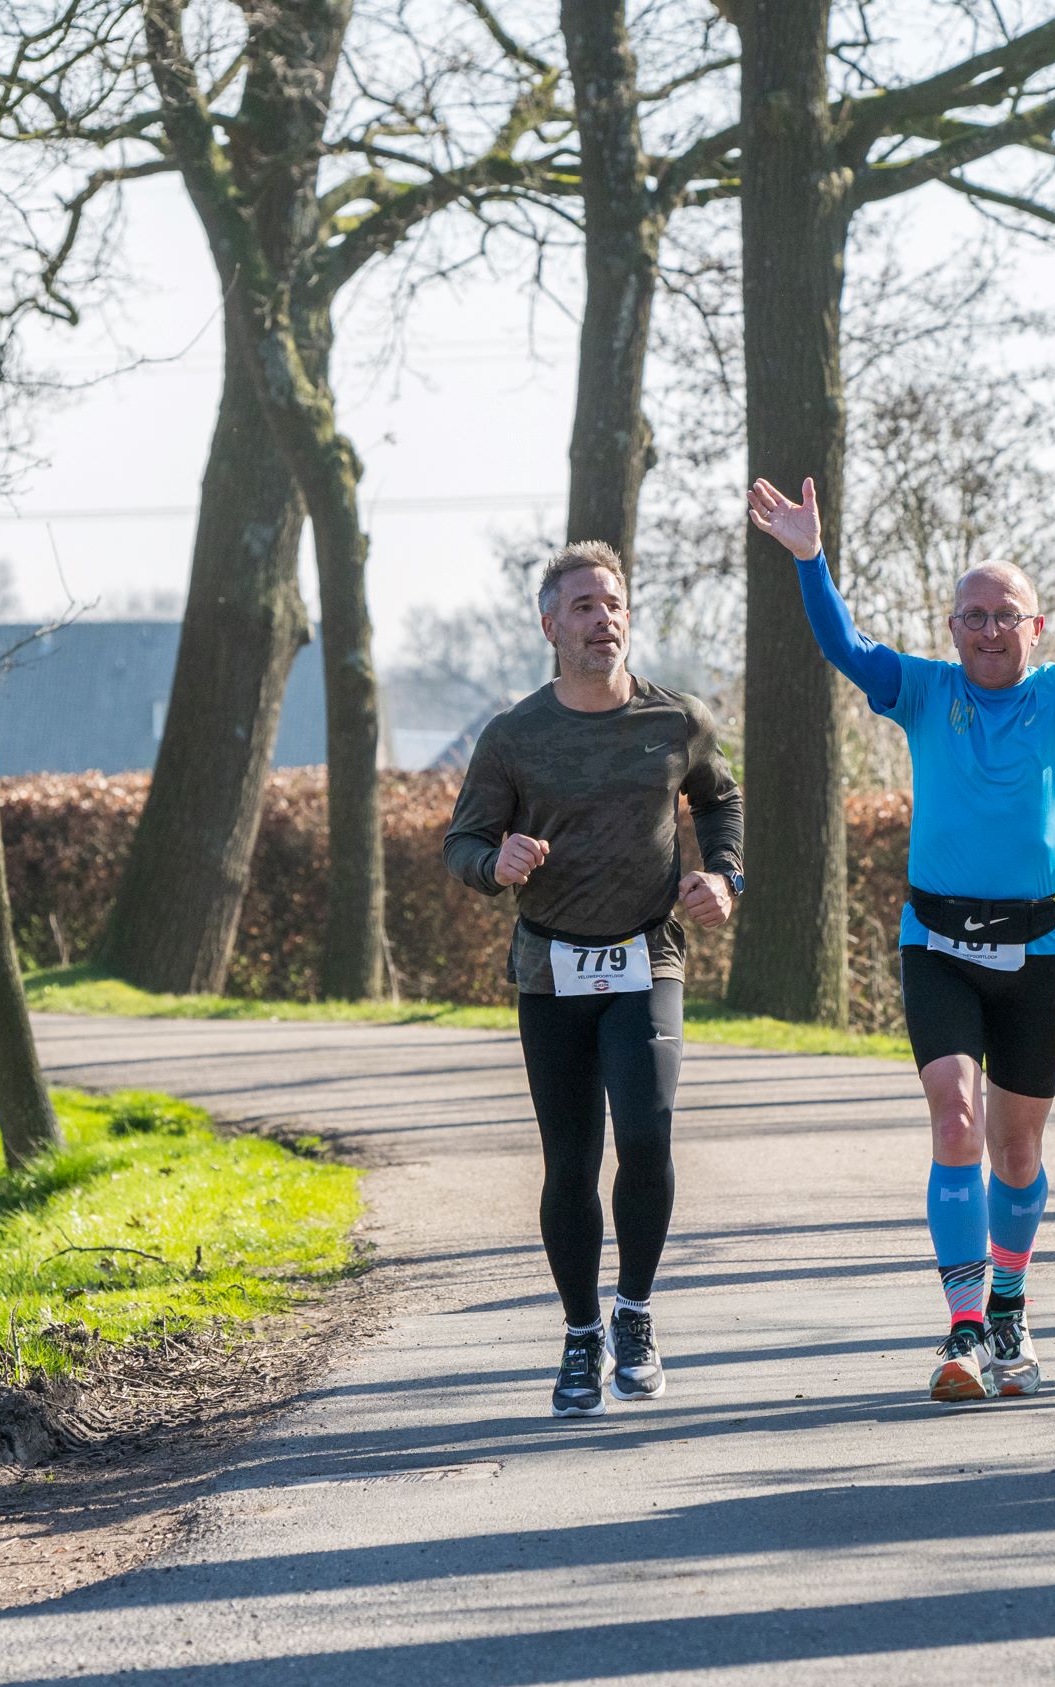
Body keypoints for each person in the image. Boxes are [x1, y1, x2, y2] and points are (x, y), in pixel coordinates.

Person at [747, 461, 1055, 1402]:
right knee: (954, 1115)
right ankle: (965, 1325)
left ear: (1037, 627)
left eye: (1005, 615)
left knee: (1018, 1154)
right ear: (953, 629)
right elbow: (847, 647)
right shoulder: (926, 690)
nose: (988, 630)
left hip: (1037, 952)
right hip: (936, 942)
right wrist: (810, 561)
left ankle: (1012, 1299)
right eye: (973, 616)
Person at [444, 541, 746, 1420]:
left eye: (611, 603)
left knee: (645, 1140)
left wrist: (722, 874)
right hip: (550, 967)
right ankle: (582, 1332)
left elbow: (720, 799)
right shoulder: (514, 736)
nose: (601, 618)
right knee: (571, 1161)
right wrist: (493, 861)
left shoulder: (674, 720)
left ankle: (637, 1315)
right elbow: (462, 842)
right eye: (582, 605)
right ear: (550, 625)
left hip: (646, 954)